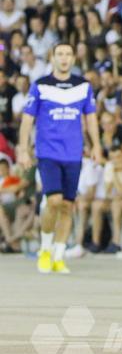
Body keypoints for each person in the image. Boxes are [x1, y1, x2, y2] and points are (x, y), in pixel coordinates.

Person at [17, 43, 102, 274]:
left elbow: (91, 118)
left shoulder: (83, 86)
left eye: (68, 54)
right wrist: (23, 149)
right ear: (52, 57)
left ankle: (59, 254)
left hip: (73, 153)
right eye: (59, 54)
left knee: (67, 206)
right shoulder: (41, 86)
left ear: (74, 58)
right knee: (53, 201)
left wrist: (96, 145)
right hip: (48, 152)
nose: (64, 58)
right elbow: (27, 120)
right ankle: (45, 248)